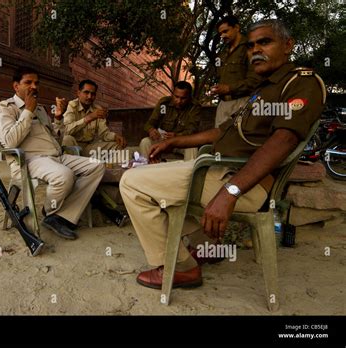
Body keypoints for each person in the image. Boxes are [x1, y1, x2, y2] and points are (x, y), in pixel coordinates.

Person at [120, 19, 325, 289]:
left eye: (265, 42)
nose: (255, 50)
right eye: (251, 45)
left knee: (132, 183)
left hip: (241, 181)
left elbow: (284, 140)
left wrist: (230, 192)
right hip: (219, 171)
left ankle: (181, 267)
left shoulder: (300, 82)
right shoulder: (263, 89)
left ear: (288, 45)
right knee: (151, 179)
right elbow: (222, 131)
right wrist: (176, 142)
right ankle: (204, 246)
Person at [0, 67, 105, 241]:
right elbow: (9, 142)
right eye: (28, 82)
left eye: (36, 83)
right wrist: (27, 112)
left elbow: (56, 139)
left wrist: (58, 118)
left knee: (96, 165)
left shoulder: (40, 109)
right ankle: (51, 211)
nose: (33, 86)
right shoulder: (5, 109)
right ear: (16, 86)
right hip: (29, 160)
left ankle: (61, 216)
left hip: (55, 156)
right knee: (64, 175)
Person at [211, 15, 263, 127]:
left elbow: (255, 80)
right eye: (220, 34)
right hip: (223, 105)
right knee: (219, 141)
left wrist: (229, 88)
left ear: (237, 27)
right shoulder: (223, 53)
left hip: (243, 102)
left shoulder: (250, 48)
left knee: (238, 141)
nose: (223, 36)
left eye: (225, 31)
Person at [62, 80, 127, 158]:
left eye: (93, 94)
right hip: (74, 146)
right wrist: (89, 117)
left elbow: (104, 134)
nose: (89, 96)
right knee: (67, 139)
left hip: (89, 148)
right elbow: (67, 131)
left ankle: (112, 168)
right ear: (78, 93)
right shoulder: (71, 106)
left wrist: (115, 136)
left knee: (117, 145)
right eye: (86, 92)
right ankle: (75, 165)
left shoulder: (97, 109)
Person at [139, 81, 201, 161]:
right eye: (176, 97)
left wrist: (177, 136)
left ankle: (190, 172)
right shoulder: (164, 104)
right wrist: (151, 130)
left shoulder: (194, 107)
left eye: (183, 98)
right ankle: (146, 170)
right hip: (163, 140)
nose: (179, 101)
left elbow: (192, 130)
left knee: (193, 147)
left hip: (182, 141)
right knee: (145, 142)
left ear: (189, 97)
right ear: (172, 94)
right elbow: (149, 123)